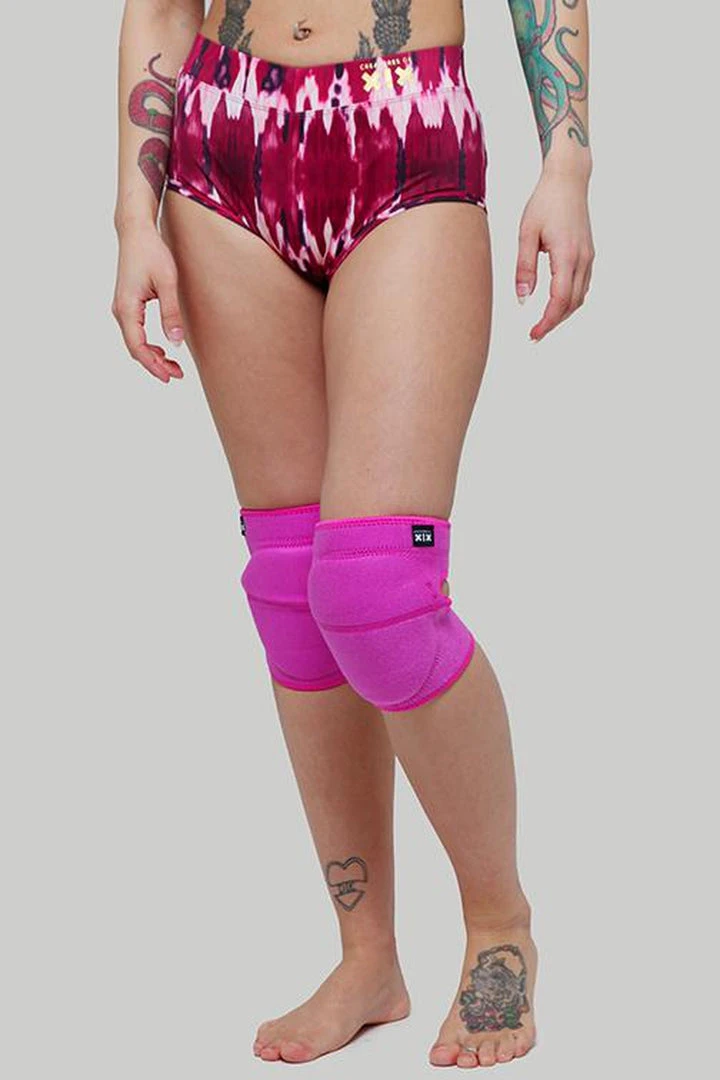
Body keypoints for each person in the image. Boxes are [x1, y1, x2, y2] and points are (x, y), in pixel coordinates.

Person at [112, 0, 594, 1068]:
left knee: (379, 593)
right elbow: (161, 6)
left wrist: (567, 161)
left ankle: (500, 923)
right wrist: (133, 216)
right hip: (223, 150)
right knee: (292, 589)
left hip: (402, 131)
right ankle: (367, 957)